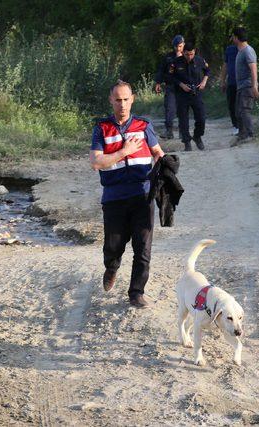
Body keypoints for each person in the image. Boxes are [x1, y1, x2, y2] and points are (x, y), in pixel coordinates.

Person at [89, 81, 165, 308]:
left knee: (143, 247)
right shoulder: (102, 129)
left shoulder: (143, 126)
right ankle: (112, 267)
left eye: (126, 99)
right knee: (113, 246)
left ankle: (136, 293)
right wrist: (124, 152)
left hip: (142, 196)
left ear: (132, 99)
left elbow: (158, 153)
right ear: (111, 101)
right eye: (118, 100)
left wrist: (166, 166)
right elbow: (96, 162)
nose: (122, 104)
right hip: (114, 197)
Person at [169, 41, 210, 151]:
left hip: (196, 93)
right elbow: (170, 77)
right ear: (183, 52)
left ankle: (197, 136)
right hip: (182, 94)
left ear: (194, 51)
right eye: (187, 54)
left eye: (191, 54)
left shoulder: (199, 60)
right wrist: (181, 84)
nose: (189, 56)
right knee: (183, 120)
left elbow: (207, 71)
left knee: (201, 118)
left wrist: (204, 81)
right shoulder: (175, 62)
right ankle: (187, 142)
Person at [231, 27, 259, 146]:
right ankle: (242, 136)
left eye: (233, 36)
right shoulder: (240, 51)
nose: (232, 39)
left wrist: (254, 86)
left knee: (245, 110)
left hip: (247, 86)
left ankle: (250, 134)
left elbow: (253, 69)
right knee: (238, 112)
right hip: (241, 87)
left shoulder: (248, 50)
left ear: (237, 37)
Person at [154, 35, 185, 139]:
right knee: (169, 109)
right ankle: (169, 131)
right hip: (170, 86)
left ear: (183, 45)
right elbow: (161, 70)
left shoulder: (187, 56)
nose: (178, 48)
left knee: (182, 109)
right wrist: (158, 82)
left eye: (180, 46)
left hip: (183, 88)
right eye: (176, 46)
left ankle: (182, 132)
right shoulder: (168, 57)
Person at [220, 39, 239, 135]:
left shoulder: (246, 49)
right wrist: (222, 81)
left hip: (242, 83)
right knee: (231, 105)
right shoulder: (229, 50)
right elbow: (225, 65)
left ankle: (243, 126)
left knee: (241, 105)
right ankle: (236, 125)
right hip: (231, 82)